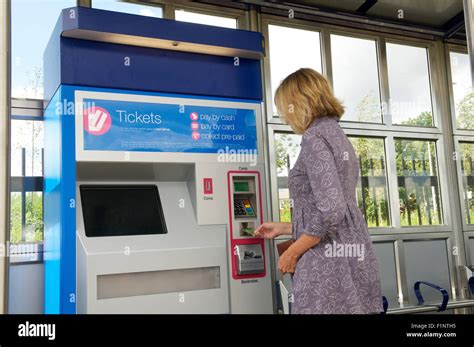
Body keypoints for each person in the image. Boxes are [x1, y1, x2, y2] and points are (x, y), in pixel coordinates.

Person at [254, 68, 382, 314]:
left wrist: (292, 251)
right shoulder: (335, 133)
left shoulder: (313, 137)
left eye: (284, 107)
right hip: (352, 253)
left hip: (327, 263)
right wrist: (284, 227)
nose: (283, 116)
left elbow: (332, 210)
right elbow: (333, 207)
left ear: (299, 103)